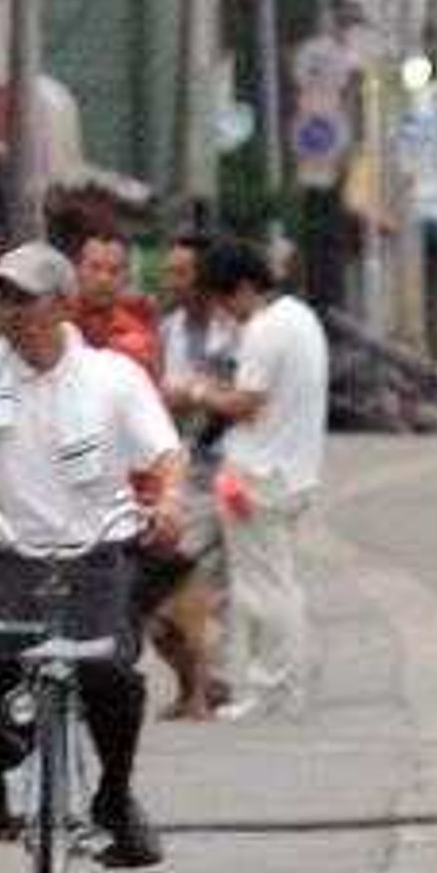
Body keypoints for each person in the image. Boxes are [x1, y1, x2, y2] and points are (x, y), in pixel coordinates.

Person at [0, 240, 183, 869]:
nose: (10, 312)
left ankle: (115, 799)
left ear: (62, 305)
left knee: (111, 676)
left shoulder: (112, 377)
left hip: (94, 552)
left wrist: (169, 504)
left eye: (25, 298)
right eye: (1, 297)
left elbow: (165, 454)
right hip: (9, 551)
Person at [191, 238, 330, 719]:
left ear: (244, 288)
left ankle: (270, 691)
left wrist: (199, 392)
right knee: (282, 581)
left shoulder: (264, 330)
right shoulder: (302, 318)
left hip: (255, 475)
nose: (226, 313)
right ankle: (283, 686)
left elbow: (247, 403)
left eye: (225, 300)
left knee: (258, 588)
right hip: (292, 472)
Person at [149, 235, 238, 719]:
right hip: (182, 471)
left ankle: (207, 686)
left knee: (214, 586)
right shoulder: (167, 332)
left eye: (182, 272)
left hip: (230, 468)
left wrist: (199, 393)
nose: (172, 282)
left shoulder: (238, 332)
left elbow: (251, 395)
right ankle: (197, 683)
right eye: (171, 272)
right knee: (168, 586)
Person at [69, 234, 163, 385]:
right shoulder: (55, 321)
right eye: (95, 267)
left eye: (114, 271)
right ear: (77, 269)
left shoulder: (137, 330)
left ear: (126, 277)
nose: (103, 279)